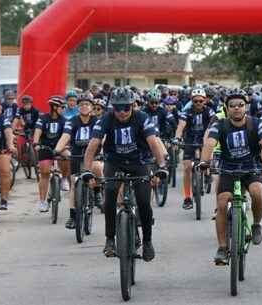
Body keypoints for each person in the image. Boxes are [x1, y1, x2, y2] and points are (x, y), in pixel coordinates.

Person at [82, 87, 168, 261]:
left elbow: (153, 143)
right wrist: (87, 171)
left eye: (126, 108)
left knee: (144, 202)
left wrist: (161, 166)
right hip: (114, 162)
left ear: (132, 106)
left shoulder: (142, 118)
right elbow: (93, 145)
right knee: (110, 196)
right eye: (117, 108)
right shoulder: (106, 119)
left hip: (140, 162)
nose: (121, 112)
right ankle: (109, 240)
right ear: (112, 108)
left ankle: (148, 241)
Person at [198, 88, 262, 264]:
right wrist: (204, 162)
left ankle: (256, 225)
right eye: (232, 105)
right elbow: (210, 143)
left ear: (246, 107)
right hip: (228, 169)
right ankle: (223, 248)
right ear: (226, 108)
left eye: (240, 105)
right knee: (222, 201)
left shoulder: (257, 123)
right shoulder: (220, 124)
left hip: (252, 167)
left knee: (257, 191)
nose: (237, 108)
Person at [55, 97, 102, 229]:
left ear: (92, 107)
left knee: (97, 167)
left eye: (87, 104)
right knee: (74, 182)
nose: (84, 106)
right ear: (78, 107)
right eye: (81, 104)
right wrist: (57, 149)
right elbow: (66, 136)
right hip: (76, 155)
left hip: (94, 155)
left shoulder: (97, 121)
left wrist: (104, 149)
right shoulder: (72, 121)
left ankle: (98, 192)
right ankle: (73, 216)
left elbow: (102, 138)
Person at [174, 88, 217, 210]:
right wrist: (177, 137)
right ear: (192, 101)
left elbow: (214, 125)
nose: (198, 103)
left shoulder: (209, 112)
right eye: (195, 101)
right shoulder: (186, 112)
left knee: (209, 152)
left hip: (205, 139)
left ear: (205, 101)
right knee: (187, 168)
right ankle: (187, 198)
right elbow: (181, 126)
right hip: (190, 141)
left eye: (201, 101)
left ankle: (207, 172)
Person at [33, 96, 71, 212]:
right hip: (45, 147)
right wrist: (36, 143)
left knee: (68, 157)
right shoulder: (42, 118)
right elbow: (38, 131)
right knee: (44, 173)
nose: (64, 109)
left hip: (60, 147)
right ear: (54, 107)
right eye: (62, 107)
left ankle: (64, 178)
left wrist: (67, 145)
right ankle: (42, 201)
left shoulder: (65, 120)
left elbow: (67, 134)